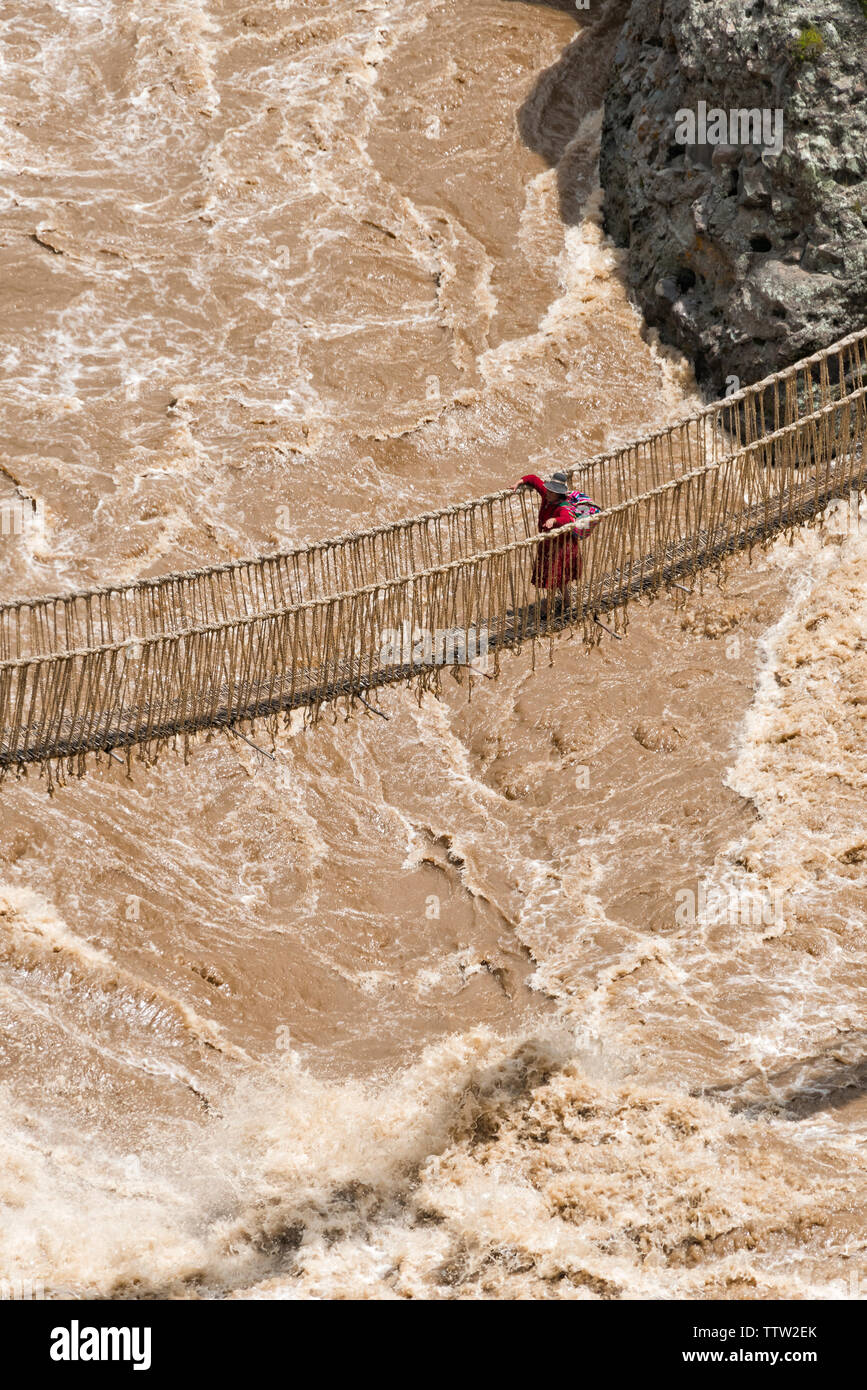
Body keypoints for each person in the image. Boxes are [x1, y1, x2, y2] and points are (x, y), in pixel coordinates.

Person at [513, 470, 583, 604]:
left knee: (554, 577)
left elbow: (567, 519)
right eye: (549, 490)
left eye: (552, 492)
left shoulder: (564, 507)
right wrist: (520, 482)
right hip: (549, 545)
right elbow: (534, 479)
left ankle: (549, 605)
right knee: (559, 577)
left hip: (561, 548)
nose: (548, 493)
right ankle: (568, 600)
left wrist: (554, 520)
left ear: (559, 494)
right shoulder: (547, 495)